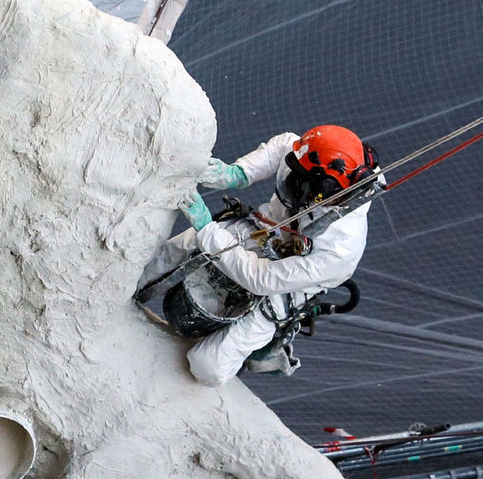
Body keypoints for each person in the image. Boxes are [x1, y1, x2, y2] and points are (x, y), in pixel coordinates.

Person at [140, 125, 380, 386]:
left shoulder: (340, 247)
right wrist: (237, 173)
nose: (293, 182)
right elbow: (285, 144)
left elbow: (261, 278)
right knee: (175, 250)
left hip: (292, 281)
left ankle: (268, 348)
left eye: (301, 182)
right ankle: (126, 289)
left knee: (208, 366)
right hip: (268, 228)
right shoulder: (309, 157)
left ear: (324, 189)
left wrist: (208, 231)